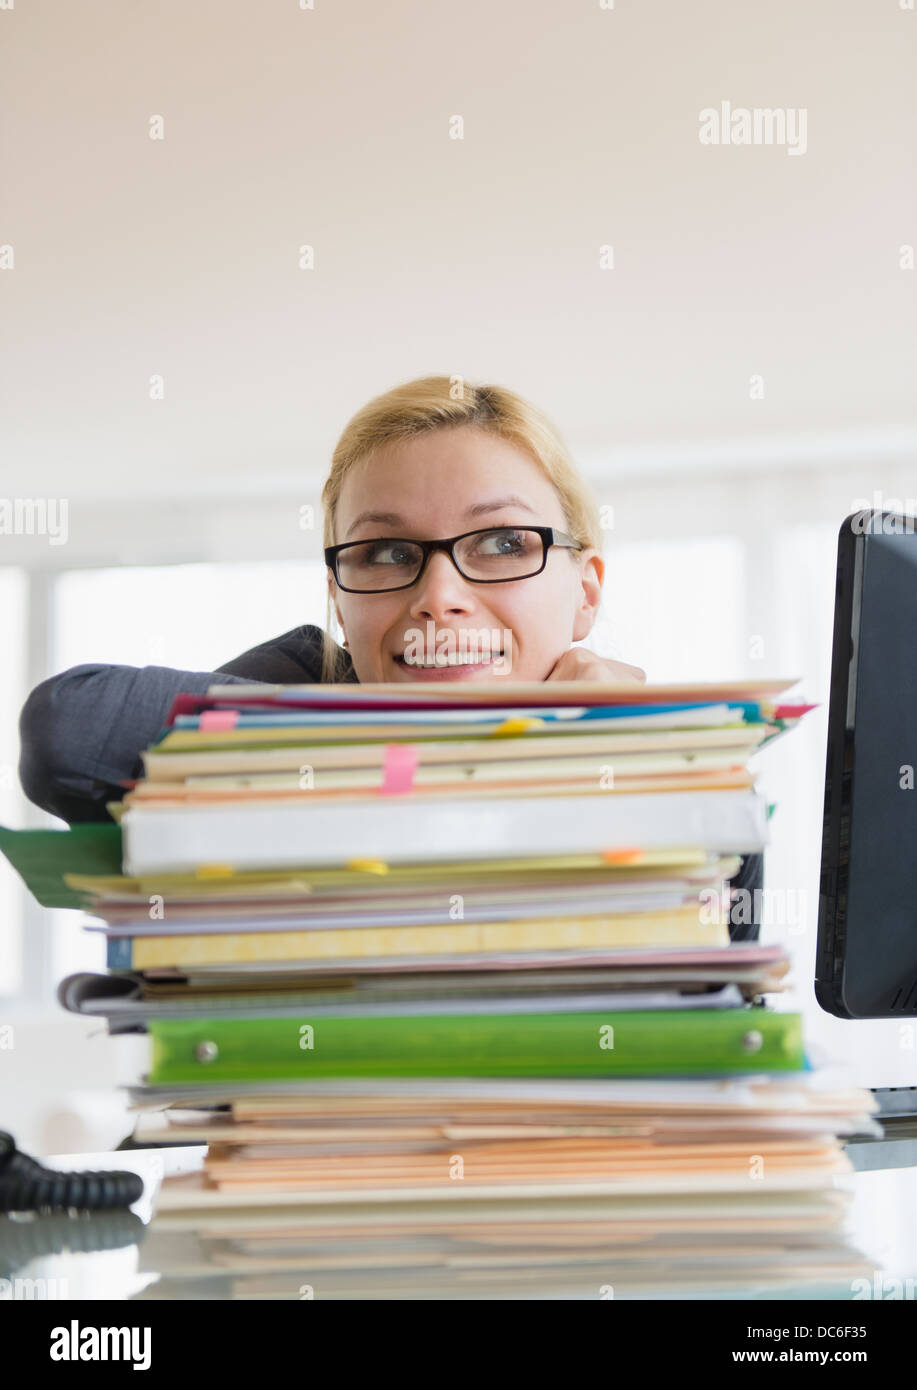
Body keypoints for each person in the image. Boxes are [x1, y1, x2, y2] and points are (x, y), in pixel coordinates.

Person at [17, 375, 762, 936]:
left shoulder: (678, 778)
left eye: (502, 542)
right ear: (340, 599)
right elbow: (68, 734)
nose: (440, 594)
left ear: (584, 591)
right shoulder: (301, 680)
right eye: (384, 551)